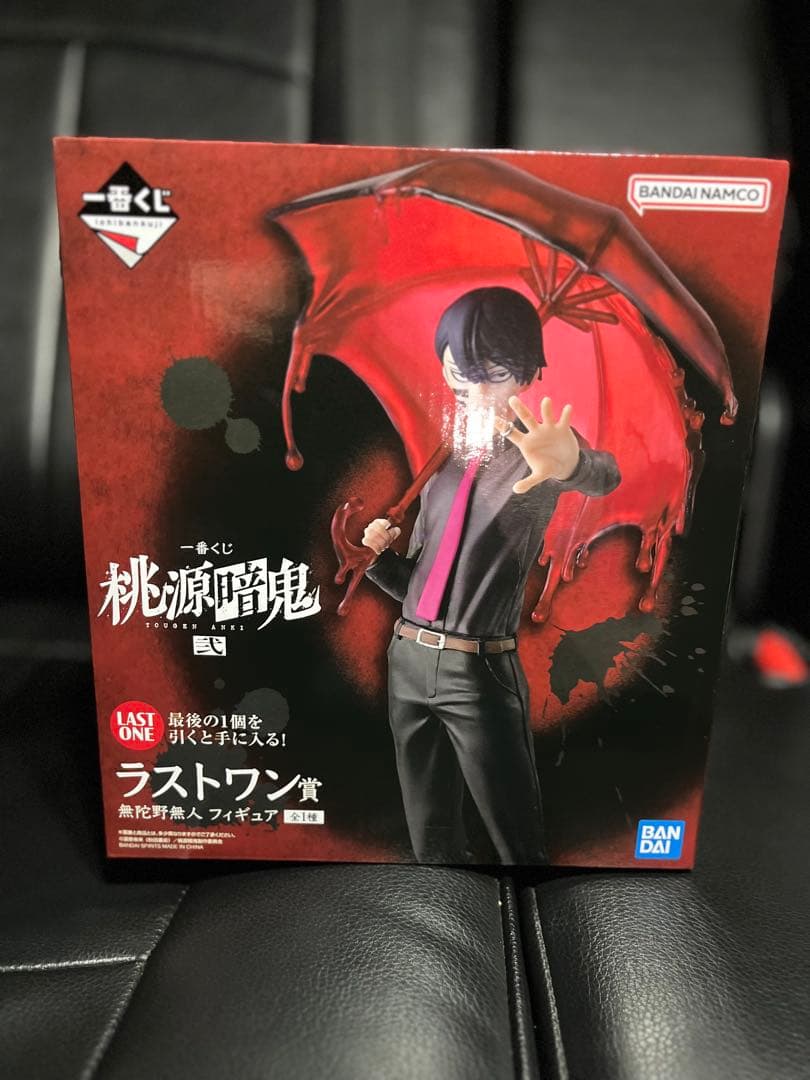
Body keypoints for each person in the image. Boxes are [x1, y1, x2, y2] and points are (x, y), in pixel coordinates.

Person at [363, 286, 620, 864]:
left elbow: (604, 475)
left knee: (516, 841)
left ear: (524, 374)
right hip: (407, 659)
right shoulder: (444, 467)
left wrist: (572, 462)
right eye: (461, 374)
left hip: (477, 672)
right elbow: (419, 587)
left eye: (494, 374)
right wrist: (377, 560)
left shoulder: (540, 455)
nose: (475, 391)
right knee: (430, 840)